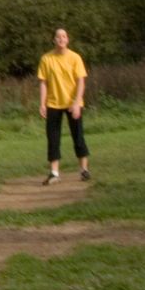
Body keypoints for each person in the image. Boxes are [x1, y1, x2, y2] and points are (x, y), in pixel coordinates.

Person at [38, 28, 91, 184]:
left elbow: (81, 81)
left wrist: (76, 103)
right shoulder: (46, 59)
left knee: (78, 136)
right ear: (54, 40)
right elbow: (43, 83)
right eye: (58, 36)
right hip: (53, 103)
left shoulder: (75, 58)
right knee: (53, 138)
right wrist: (42, 103)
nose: (61, 39)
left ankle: (84, 170)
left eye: (64, 36)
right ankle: (54, 172)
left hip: (73, 103)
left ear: (68, 40)